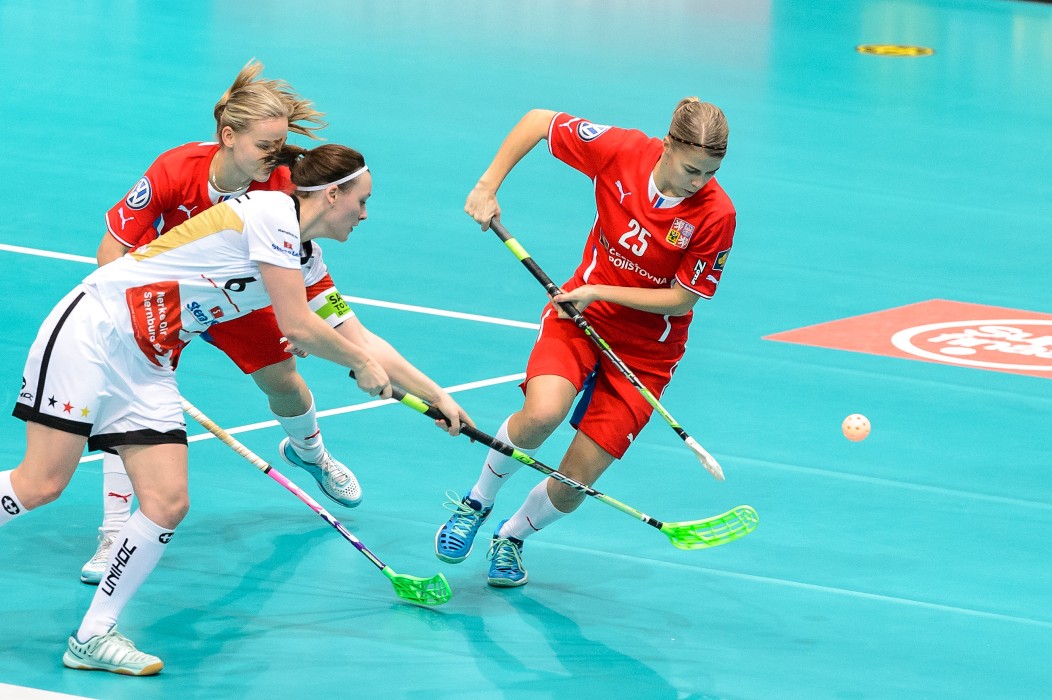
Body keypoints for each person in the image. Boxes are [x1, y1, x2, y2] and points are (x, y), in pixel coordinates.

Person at [2, 142, 467, 676]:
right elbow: (297, 327)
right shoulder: (271, 215)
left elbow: (356, 334)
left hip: (150, 358)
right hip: (94, 332)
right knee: (39, 484)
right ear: (332, 194)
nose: (365, 214)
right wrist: (360, 364)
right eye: (362, 201)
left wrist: (439, 397)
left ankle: (91, 637)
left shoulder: (306, 257)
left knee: (166, 502)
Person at [81, 60, 465, 585]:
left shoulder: (284, 192)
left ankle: (311, 453)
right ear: (228, 136)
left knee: (284, 381)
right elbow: (115, 250)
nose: (278, 156)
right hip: (161, 298)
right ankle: (113, 532)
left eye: (282, 143)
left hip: (240, 297)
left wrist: (432, 392)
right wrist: (121, 324)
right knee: (122, 407)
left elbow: (335, 317)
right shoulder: (176, 170)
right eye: (267, 144)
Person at [434, 99, 735, 587]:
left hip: (646, 351)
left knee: (575, 482)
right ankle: (477, 502)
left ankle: (511, 537)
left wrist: (598, 288)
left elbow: (681, 299)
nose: (699, 181)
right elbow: (536, 121)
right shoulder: (622, 151)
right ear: (667, 146)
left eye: (711, 172)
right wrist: (487, 186)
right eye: (691, 168)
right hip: (579, 315)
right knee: (541, 414)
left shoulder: (716, 214)